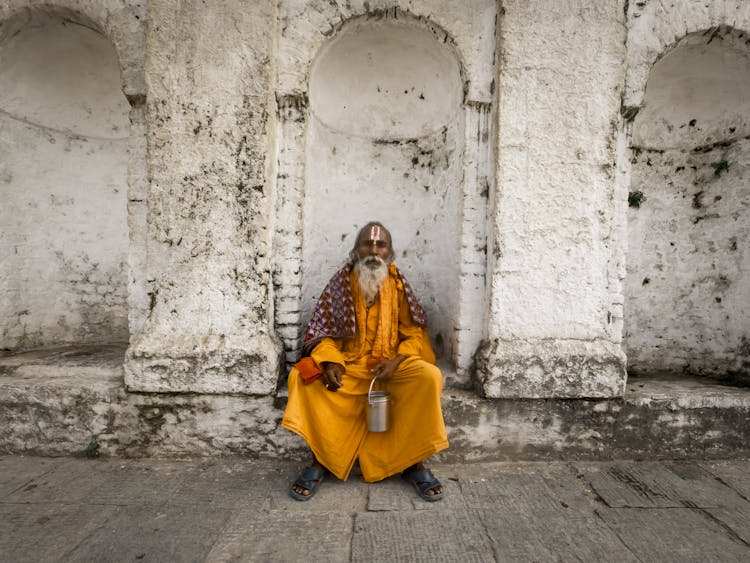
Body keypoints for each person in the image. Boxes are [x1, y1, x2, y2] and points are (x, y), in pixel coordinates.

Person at [281, 221, 449, 501]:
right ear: (356, 250)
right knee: (301, 378)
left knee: (428, 377)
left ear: (389, 251)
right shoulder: (340, 284)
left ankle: (413, 462)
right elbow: (321, 333)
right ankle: (320, 460)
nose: (373, 250)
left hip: (389, 366)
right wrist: (331, 362)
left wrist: (396, 361)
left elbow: (414, 333)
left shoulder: (398, 285)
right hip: (348, 366)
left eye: (380, 244)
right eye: (366, 244)